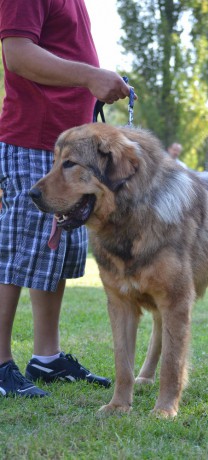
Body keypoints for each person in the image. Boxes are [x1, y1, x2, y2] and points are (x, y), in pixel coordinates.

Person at [0, 0, 135, 397]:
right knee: (17, 250)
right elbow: (17, 54)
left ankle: (46, 357)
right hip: (34, 140)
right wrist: (91, 76)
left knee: (53, 250)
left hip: (68, 145)